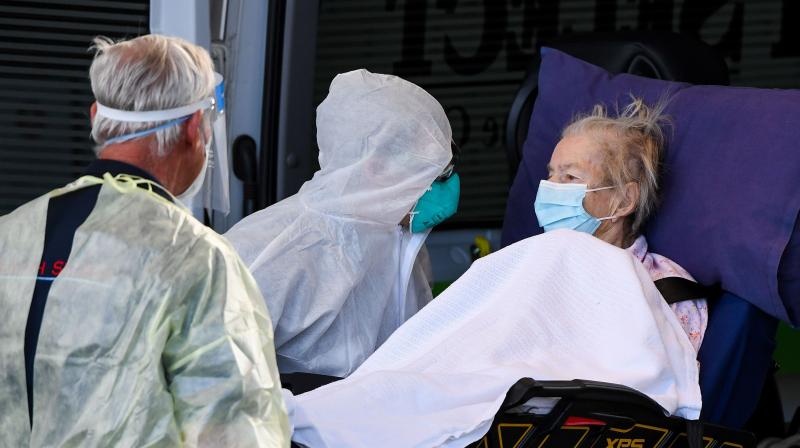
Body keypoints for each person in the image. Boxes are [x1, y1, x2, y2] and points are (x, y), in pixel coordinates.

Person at [0, 34, 289, 447]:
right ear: (195, 129)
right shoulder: (193, 257)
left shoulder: (10, 235)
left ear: (96, 115)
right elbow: (233, 426)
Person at [225, 69, 459, 377]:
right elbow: (210, 380)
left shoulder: (400, 241)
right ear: (374, 166)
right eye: (435, 174)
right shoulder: (270, 250)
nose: (450, 186)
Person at [533, 97, 708, 351]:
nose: (551, 188)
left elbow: (659, 383)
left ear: (623, 201)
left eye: (570, 176)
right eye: (551, 174)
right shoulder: (538, 266)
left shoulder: (661, 293)